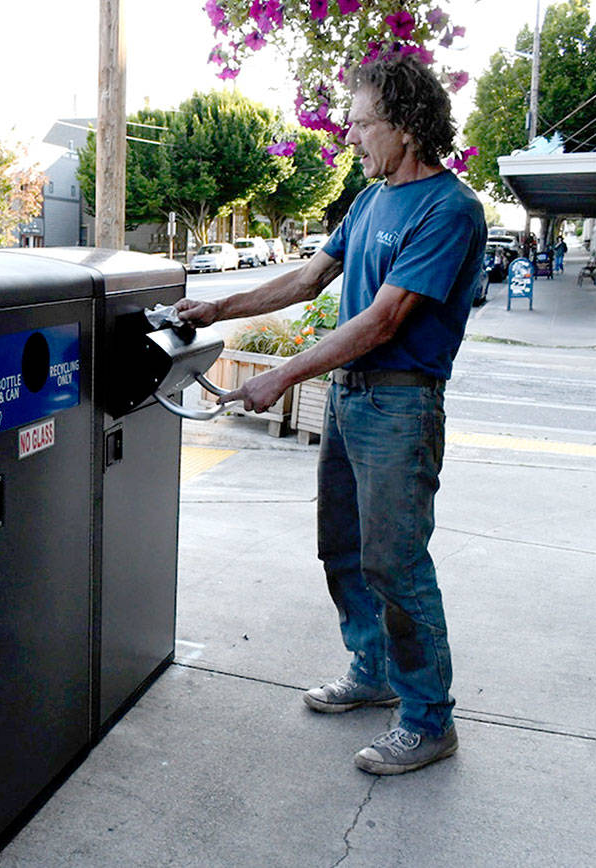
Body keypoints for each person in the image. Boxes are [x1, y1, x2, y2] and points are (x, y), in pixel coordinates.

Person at [176, 54, 486, 775]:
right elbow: (311, 277)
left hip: (400, 405)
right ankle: (371, 670)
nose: (350, 136)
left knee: (396, 564)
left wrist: (281, 374)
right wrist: (217, 307)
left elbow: (382, 322)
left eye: (360, 123)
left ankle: (429, 719)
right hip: (351, 399)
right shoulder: (371, 201)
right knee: (342, 547)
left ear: (407, 126)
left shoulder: (451, 210)